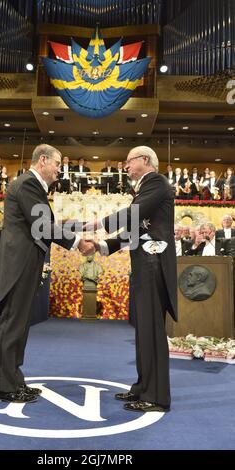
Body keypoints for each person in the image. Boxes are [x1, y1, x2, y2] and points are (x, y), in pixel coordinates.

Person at [0, 144, 94, 404]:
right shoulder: (28, 184)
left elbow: (42, 224)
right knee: (14, 324)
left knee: (20, 324)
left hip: (24, 265)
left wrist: (73, 227)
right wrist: (77, 241)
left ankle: (13, 379)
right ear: (43, 160)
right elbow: (42, 226)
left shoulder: (30, 186)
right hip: (19, 266)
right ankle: (5, 385)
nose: (60, 169)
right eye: (57, 164)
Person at [84, 146, 177, 412]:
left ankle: (157, 397)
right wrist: (102, 247)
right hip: (145, 264)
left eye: (129, 161)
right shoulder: (146, 189)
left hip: (154, 264)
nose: (125, 166)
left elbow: (131, 217)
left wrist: (98, 224)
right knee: (144, 330)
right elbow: (134, 231)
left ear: (144, 160)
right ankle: (143, 387)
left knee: (152, 331)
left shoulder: (157, 183)